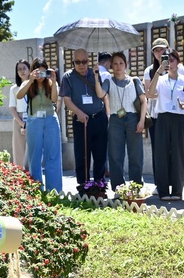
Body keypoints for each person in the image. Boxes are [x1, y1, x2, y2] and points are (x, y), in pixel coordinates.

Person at [59, 48, 108, 192]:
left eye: (84, 61)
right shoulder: (68, 77)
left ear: (89, 61)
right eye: (78, 62)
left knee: (100, 153)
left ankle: (100, 185)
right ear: (73, 62)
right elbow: (67, 99)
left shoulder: (96, 74)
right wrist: (79, 113)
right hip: (81, 121)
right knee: (82, 154)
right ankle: (83, 184)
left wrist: (96, 75)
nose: (81, 65)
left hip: (99, 117)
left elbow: (102, 94)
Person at [145, 48, 184, 201]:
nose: (169, 64)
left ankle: (177, 190)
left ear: (178, 62)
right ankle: (163, 190)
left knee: (178, 154)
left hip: (180, 119)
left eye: (172, 60)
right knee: (161, 154)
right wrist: (158, 71)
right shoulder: (161, 79)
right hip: (163, 118)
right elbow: (150, 94)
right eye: (166, 61)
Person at [99, 51, 147, 190]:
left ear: (126, 64)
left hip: (133, 119)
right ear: (111, 66)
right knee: (115, 155)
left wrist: (142, 121)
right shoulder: (108, 81)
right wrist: (96, 77)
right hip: (116, 120)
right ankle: (118, 187)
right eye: (115, 63)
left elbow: (144, 101)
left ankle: (136, 186)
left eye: (121, 63)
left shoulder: (134, 81)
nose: (118, 66)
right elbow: (101, 94)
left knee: (135, 155)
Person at [17, 58, 63, 193]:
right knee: (34, 156)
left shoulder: (51, 83)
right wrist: (31, 80)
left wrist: (53, 81)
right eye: (38, 73)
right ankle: (37, 190)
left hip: (50, 119)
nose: (41, 76)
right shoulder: (28, 83)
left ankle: (54, 191)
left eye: (44, 72)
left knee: (53, 155)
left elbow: (54, 99)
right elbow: (19, 96)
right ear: (33, 71)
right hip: (34, 120)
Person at [9, 59, 29, 168]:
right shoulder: (14, 88)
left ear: (29, 70)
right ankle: (20, 174)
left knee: (33, 149)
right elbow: (12, 108)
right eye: (19, 69)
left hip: (33, 117)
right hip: (19, 119)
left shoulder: (34, 86)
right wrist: (21, 123)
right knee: (19, 150)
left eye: (24, 68)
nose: (22, 71)